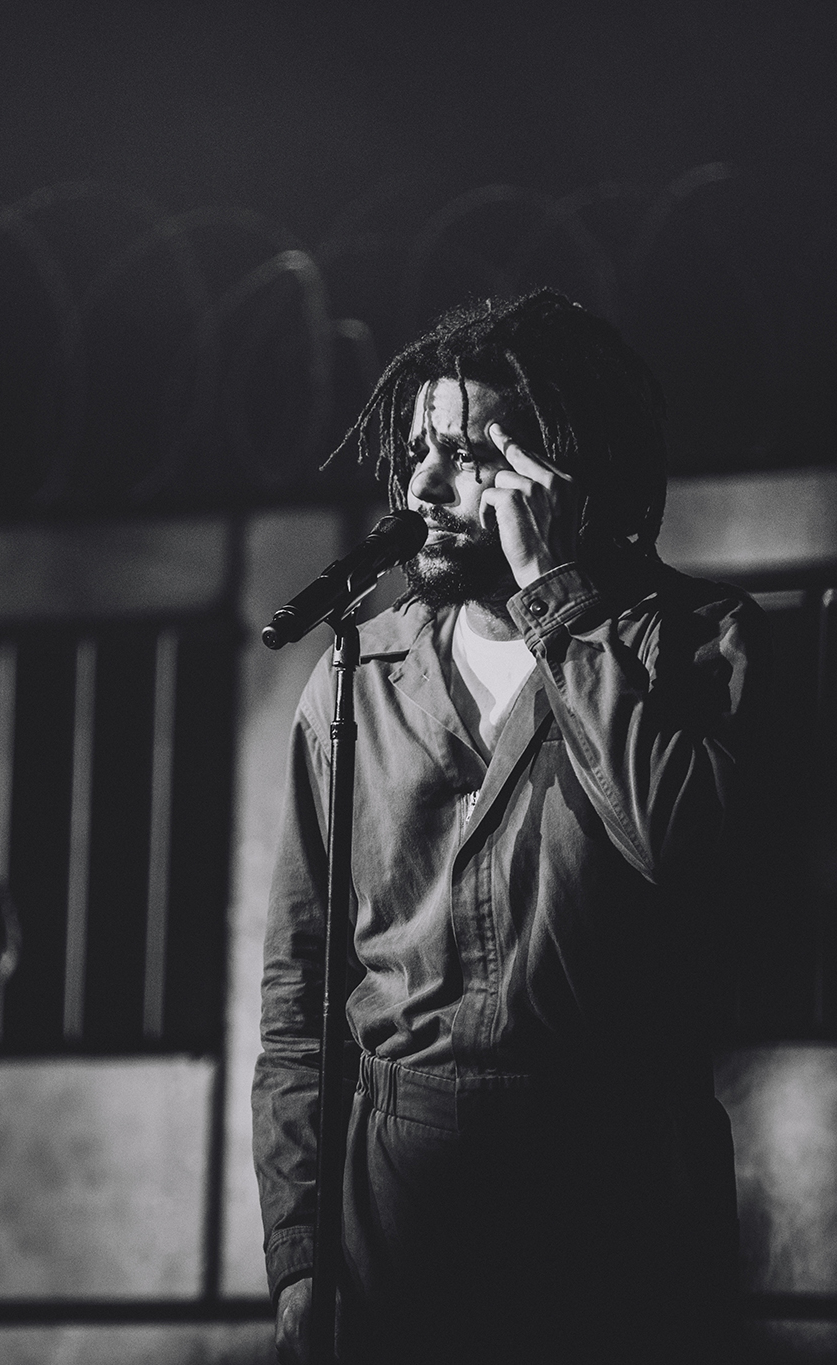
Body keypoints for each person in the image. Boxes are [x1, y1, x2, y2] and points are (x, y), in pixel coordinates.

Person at [253, 289, 761, 1364]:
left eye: (471, 455)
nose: (425, 487)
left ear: (565, 473)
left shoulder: (694, 643)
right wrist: (299, 1253)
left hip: (616, 1194)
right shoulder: (359, 674)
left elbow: (690, 850)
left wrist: (559, 604)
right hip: (399, 1201)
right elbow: (299, 996)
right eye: (417, 453)